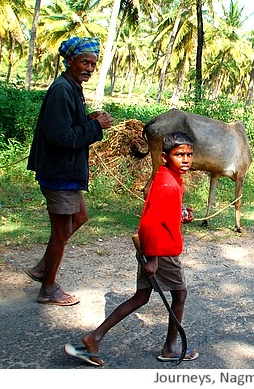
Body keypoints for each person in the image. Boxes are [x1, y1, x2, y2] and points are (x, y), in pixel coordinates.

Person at [64, 132, 199, 366]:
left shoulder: (166, 176)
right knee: (180, 295)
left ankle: (93, 338)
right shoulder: (169, 184)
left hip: (152, 249)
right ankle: (169, 349)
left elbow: (159, 212)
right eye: (179, 155)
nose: (185, 159)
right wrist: (154, 259)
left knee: (141, 297)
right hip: (162, 251)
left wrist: (179, 213)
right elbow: (152, 222)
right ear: (165, 157)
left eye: (189, 155)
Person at [25, 36, 115, 306]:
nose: (89, 67)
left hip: (67, 173)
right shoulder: (62, 90)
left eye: (92, 63)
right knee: (61, 233)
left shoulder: (72, 87)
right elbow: (59, 137)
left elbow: (67, 126)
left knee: (80, 217)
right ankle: (48, 289)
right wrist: (96, 128)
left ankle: (43, 269)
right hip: (59, 173)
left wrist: (88, 120)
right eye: (84, 61)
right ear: (70, 62)